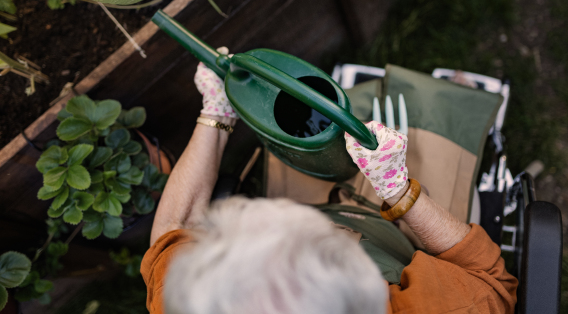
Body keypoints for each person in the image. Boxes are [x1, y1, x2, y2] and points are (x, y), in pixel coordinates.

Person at [141, 56, 518, 314]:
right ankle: (459, 98)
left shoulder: (193, 298)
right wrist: (398, 191)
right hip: (393, 238)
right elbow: (490, 281)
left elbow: (172, 233)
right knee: (445, 127)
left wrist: (216, 113)